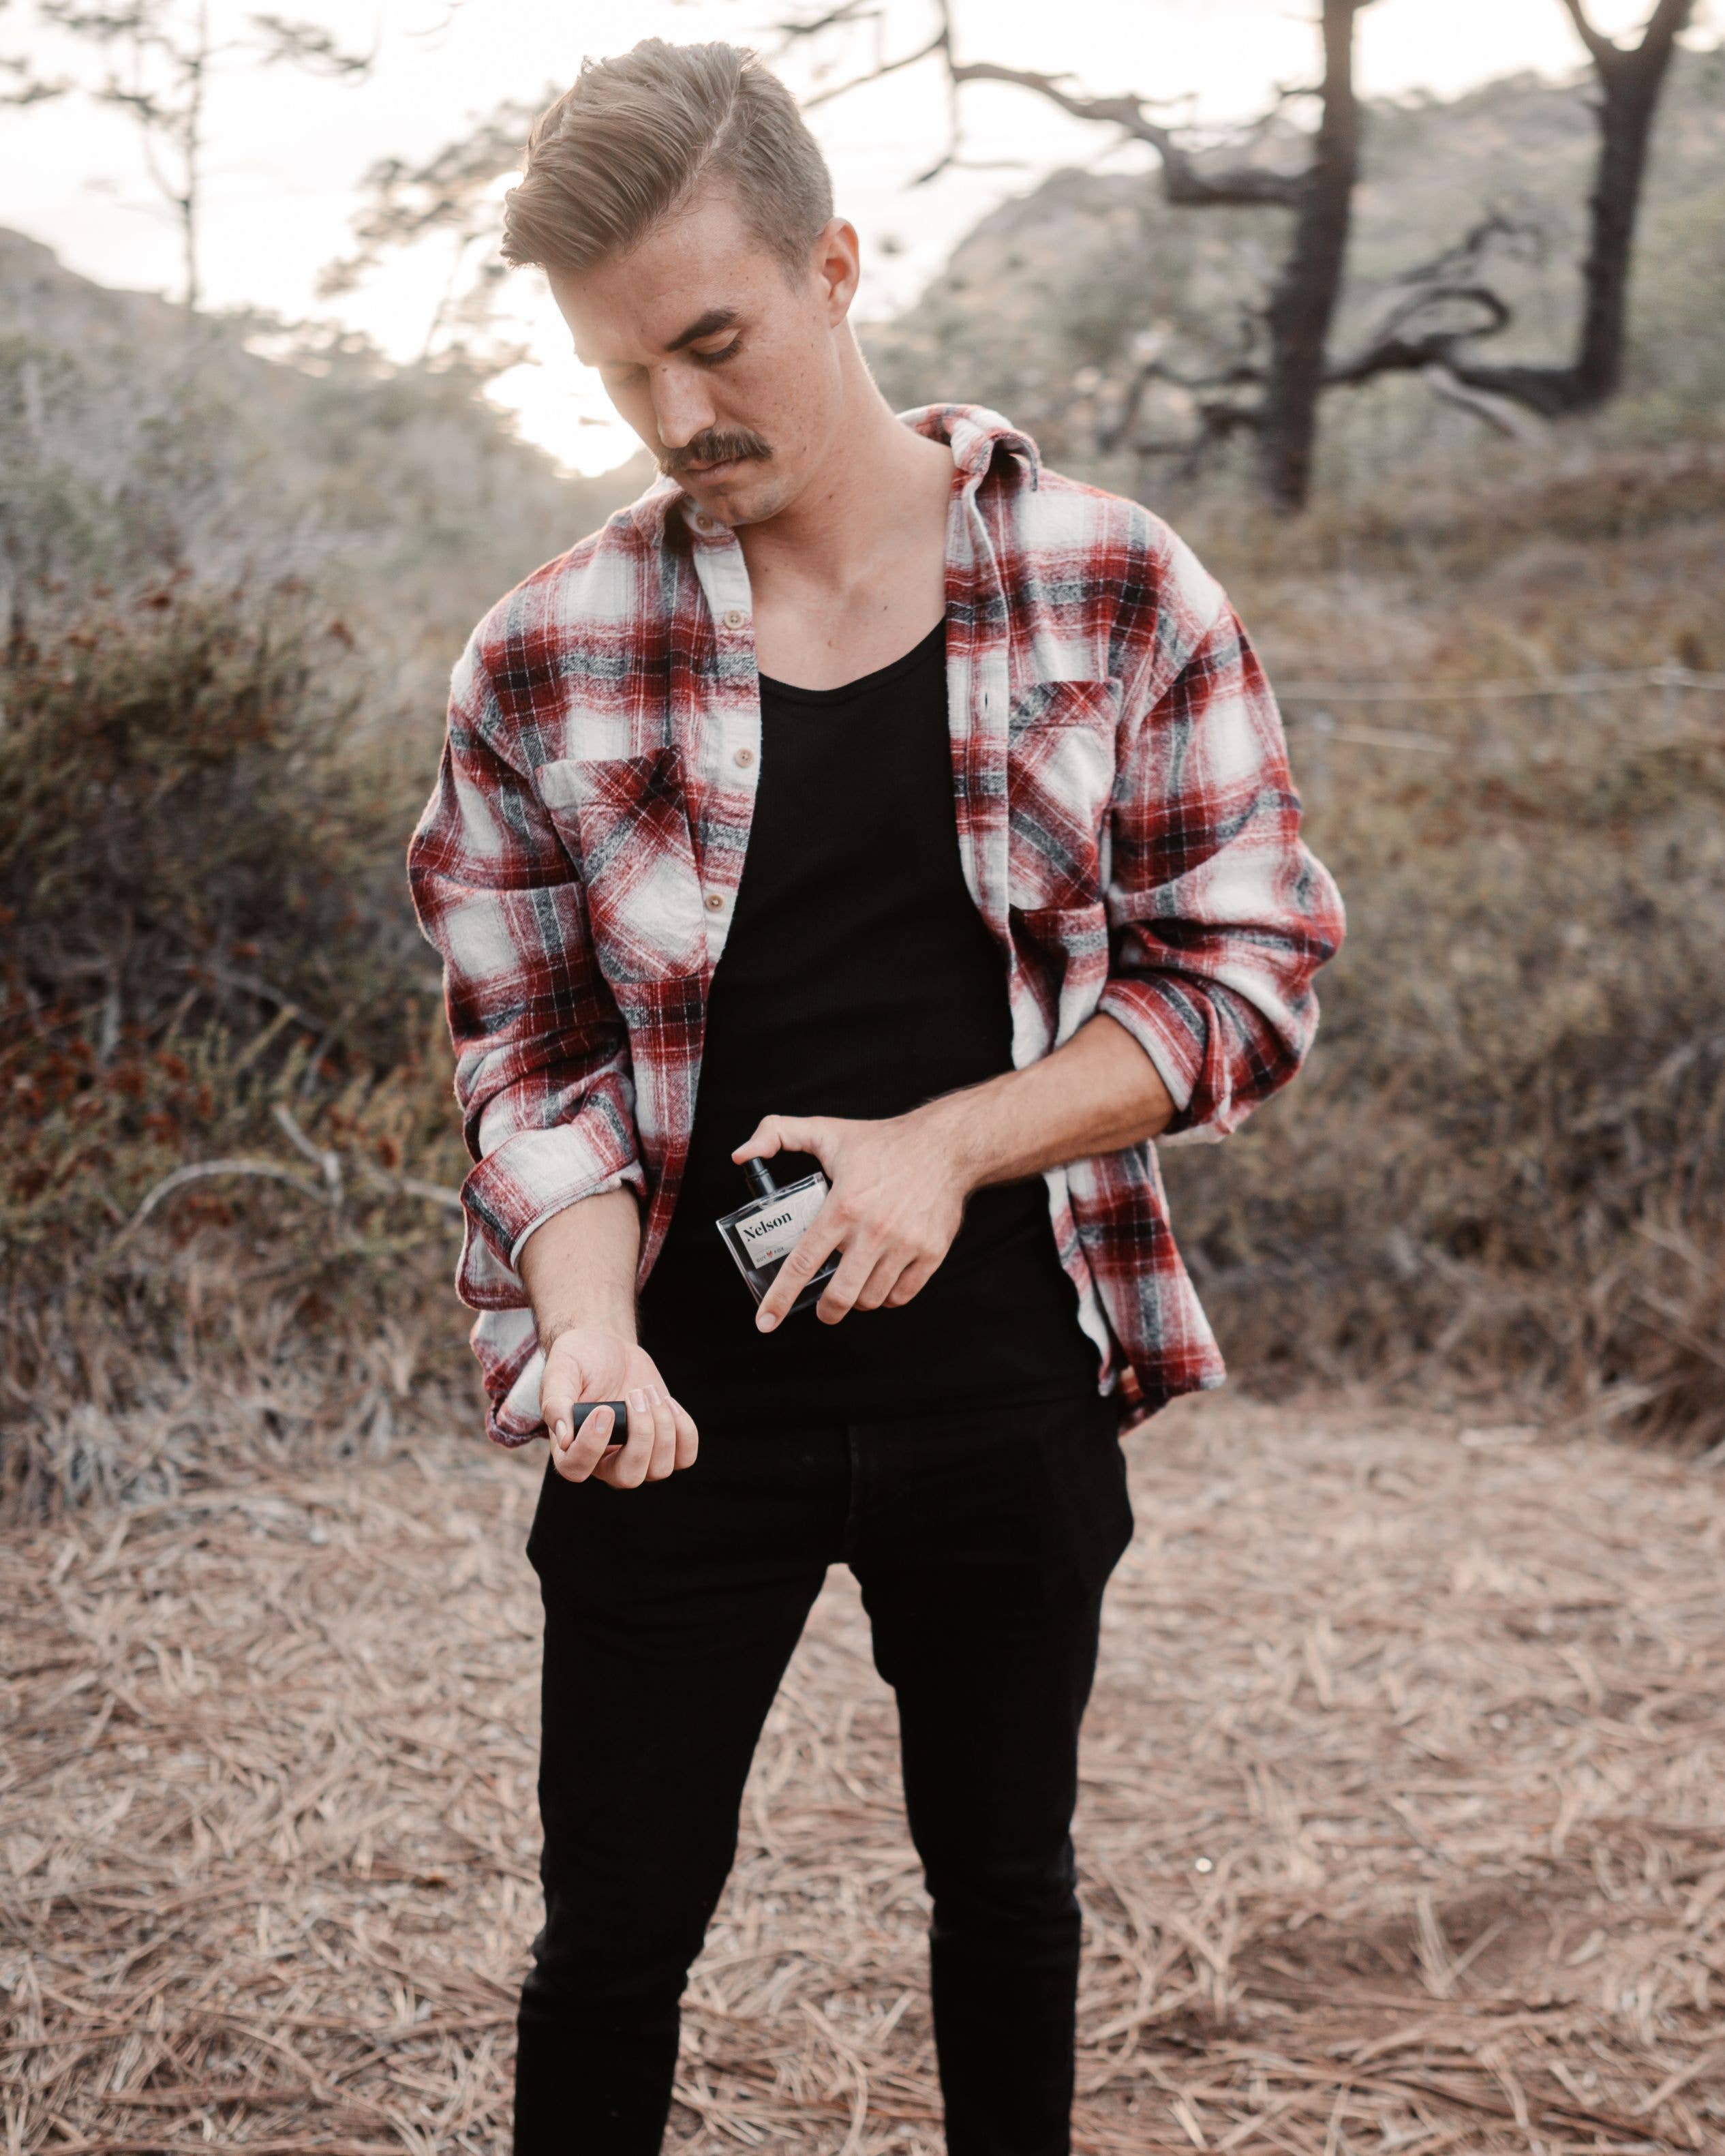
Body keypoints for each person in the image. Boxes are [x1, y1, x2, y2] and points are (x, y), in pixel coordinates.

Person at [407, 36, 1343, 2156]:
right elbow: (530, 1061)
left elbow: (1246, 972)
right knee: (610, 1941)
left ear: (834, 268)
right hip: (671, 1417)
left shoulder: (1116, 584)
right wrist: (580, 1329)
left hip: (1007, 1386)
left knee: (1005, 1896)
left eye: (713, 343)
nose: (676, 419)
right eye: (620, 373)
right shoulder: (540, 654)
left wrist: (946, 1144)